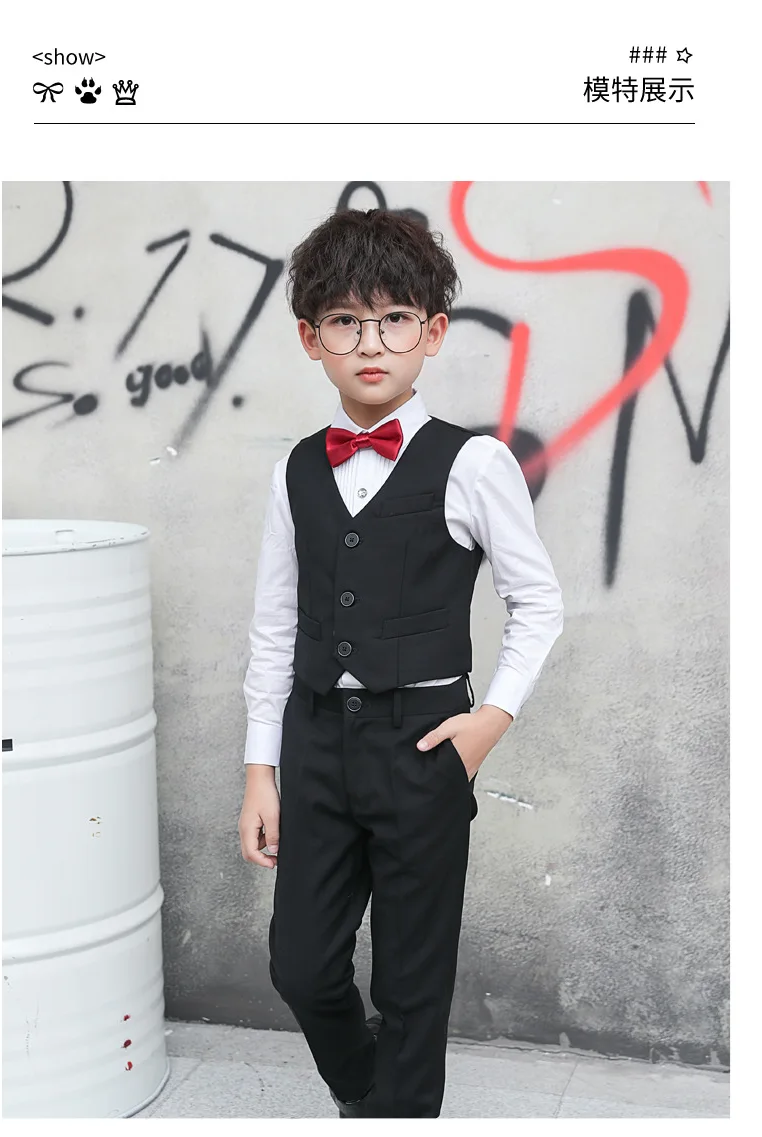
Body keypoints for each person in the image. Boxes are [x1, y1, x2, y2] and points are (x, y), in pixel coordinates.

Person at [238, 207, 564, 1118]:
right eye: (345, 321)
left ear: (433, 331)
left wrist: (487, 724)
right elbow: (273, 624)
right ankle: (366, 1094)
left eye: (393, 319)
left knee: (414, 982)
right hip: (314, 744)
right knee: (301, 965)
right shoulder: (296, 470)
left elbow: (538, 602)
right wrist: (261, 767)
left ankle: (397, 1112)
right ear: (311, 338)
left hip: (423, 743)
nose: (371, 342)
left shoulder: (475, 463)